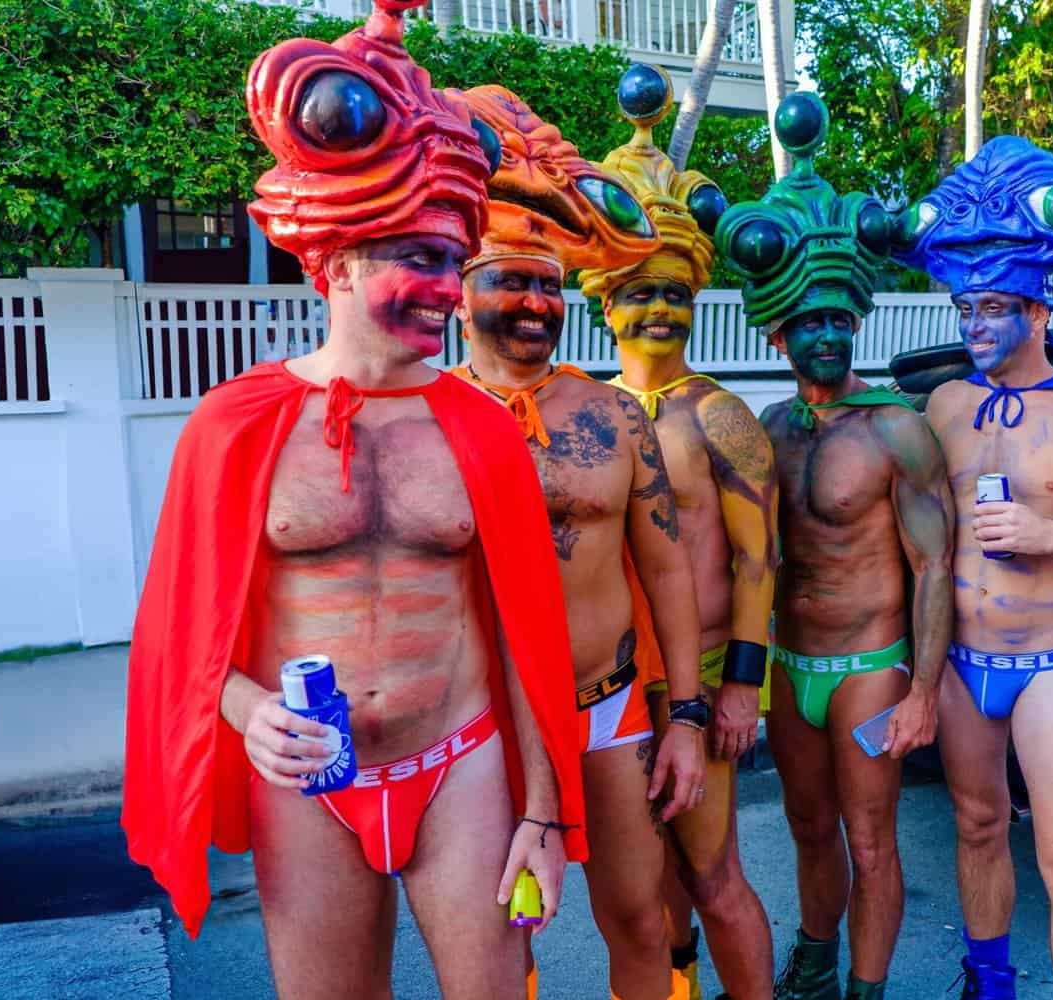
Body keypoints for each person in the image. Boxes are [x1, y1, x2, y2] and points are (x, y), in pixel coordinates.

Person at [121, 5, 587, 999]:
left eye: (455, 263)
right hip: (306, 786)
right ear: (333, 261)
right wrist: (249, 711)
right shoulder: (235, 424)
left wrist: (542, 816)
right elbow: (180, 630)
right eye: (420, 259)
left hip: (461, 764)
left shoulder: (482, 428)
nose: (447, 289)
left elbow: (524, 634)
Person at [449, 82, 704, 1000]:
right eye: (509, 280)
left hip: (608, 709)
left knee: (638, 915)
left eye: (550, 285)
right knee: (499, 935)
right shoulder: (427, 422)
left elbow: (666, 566)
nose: (533, 300)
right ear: (460, 290)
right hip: (481, 725)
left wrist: (684, 716)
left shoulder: (614, 415)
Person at [891, 137, 1053, 1000]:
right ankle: (989, 982)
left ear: (1039, 311)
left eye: (994, 308)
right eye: (966, 309)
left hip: (1052, 668)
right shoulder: (944, 404)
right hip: (963, 664)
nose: (974, 326)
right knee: (975, 824)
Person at [715, 92, 954, 1000]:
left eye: (836, 321)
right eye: (806, 322)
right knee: (810, 831)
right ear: (777, 331)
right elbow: (742, 555)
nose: (822, 335)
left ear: (854, 323)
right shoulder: (766, 429)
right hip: (788, 662)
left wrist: (923, 691)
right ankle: (816, 959)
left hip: (870, 665)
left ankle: (867, 985)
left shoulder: (897, 429)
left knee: (870, 838)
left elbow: (934, 565)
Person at [579, 64, 775, 1000]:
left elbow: (757, 560)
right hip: (620, 689)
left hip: (701, 685)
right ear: (603, 304)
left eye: (675, 293)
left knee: (713, 874)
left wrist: (741, 690)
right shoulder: (584, 416)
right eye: (638, 293)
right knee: (643, 886)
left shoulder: (721, 415)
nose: (658, 308)